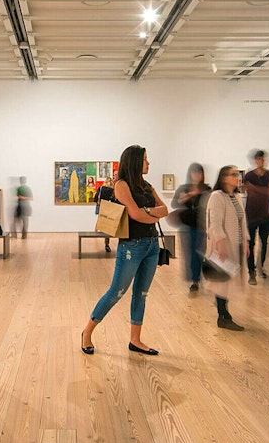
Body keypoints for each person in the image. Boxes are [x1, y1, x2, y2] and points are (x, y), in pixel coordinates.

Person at [81, 145, 168, 356]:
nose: (149, 163)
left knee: (141, 294)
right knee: (116, 292)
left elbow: (165, 209)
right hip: (131, 247)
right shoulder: (122, 186)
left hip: (151, 245)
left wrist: (146, 212)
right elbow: (135, 215)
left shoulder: (147, 186)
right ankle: (86, 332)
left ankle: (135, 340)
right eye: (146, 159)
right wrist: (150, 213)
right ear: (136, 162)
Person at [205, 165, 249, 331]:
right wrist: (220, 244)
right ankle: (223, 316)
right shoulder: (217, 196)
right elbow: (214, 223)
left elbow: (242, 221)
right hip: (223, 245)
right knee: (221, 281)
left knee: (228, 281)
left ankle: (224, 314)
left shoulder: (236, 196)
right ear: (223, 178)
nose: (237, 177)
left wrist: (245, 241)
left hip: (235, 243)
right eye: (233, 174)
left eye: (237, 174)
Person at [172, 163, 210, 292]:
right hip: (186, 226)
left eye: (199, 172)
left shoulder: (206, 189)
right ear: (190, 174)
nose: (197, 175)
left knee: (198, 253)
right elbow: (174, 203)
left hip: (201, 226)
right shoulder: (184, 188)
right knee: (189, 253)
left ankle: (196, 279)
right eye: (194, 172)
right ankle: (195, 278)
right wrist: (182, 199)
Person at [242, 150, 269, 284]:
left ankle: (261, 267)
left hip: (265, 214)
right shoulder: (249, 175)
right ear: (255, 160)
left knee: (264, 242)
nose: (261, 161)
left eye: (262, 159)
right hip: (251, 213)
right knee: (250, 243)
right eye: (258, 159)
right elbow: (247, 190)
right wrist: (264, 191)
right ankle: (251, 272)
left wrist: (256, 190)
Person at [93, 177, 115, 251]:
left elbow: (95, 198)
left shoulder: (101, 188)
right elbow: (113, 200)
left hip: (100, 206)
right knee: (107, 226)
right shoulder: (112, 190)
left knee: (99, 220)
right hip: (108, 208)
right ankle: (107, 243)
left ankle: (94, 235)